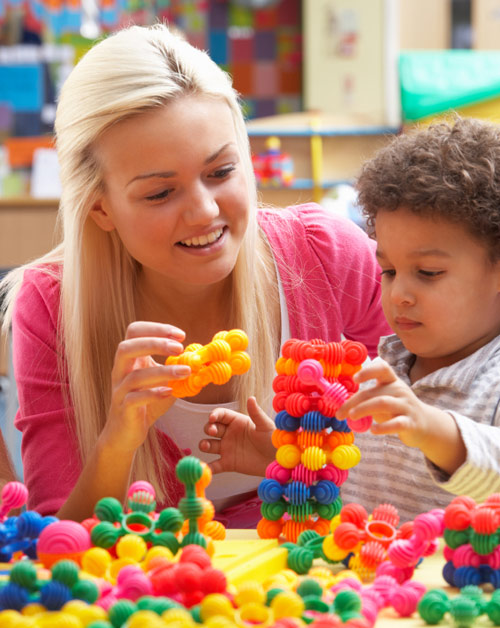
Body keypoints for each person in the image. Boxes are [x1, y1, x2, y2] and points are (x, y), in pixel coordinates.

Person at [0, 24, 390, 526]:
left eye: (221, 172)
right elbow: (59, 540)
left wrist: (295, 463)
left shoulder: (326, 255)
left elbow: (423, 456)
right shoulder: (51, 306)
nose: (204, 212)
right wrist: (119, 438)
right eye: (161, 193)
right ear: (101, 209)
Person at [212, 117, 500, 523]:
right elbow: (349, 486)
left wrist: (433, 429)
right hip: (365, 582)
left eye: (429, 273)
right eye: (389, 271)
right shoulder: (374, 376)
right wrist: (288, 460)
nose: (399, 293)